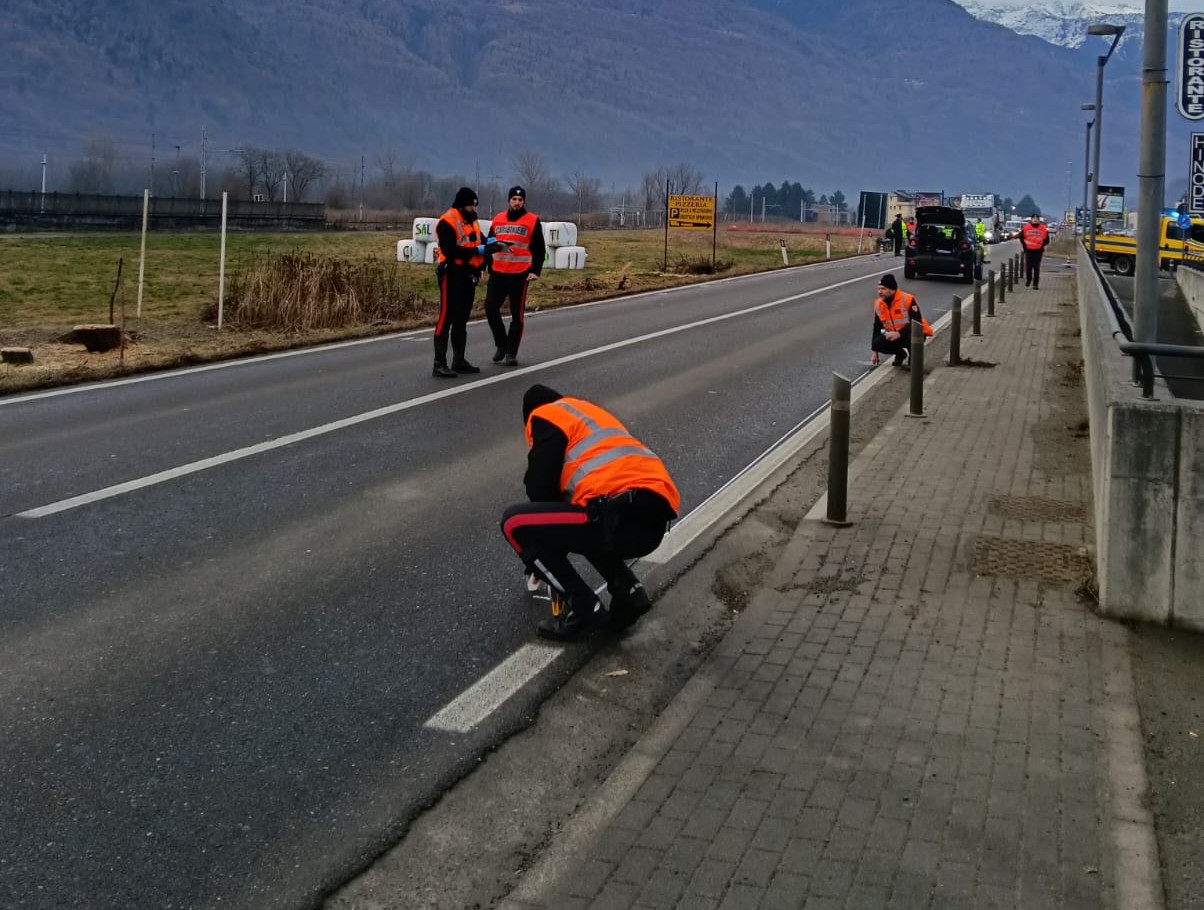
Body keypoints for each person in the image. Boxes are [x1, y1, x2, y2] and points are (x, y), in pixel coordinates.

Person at [500, 384, 680, 641]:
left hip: (619, 518)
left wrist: (540, 555)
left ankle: (584, 607)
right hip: (651, 520)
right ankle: (628, 591)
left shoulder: (546, 416)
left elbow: (539, 489)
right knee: (585, 517)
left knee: (514, 522)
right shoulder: (586, 414)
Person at [431, 187, 507, 378]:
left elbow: (478, 241)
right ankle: (439, 363)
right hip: (452, 273)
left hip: (468, 275)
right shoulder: (447, 222)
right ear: (462, 204)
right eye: (472, 205)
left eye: (475, 205)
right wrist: (478, 251)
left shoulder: (471, 221)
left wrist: (491, 246)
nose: (474, 209)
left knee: (462, 318)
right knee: (446, 316)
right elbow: (450, 250)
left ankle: (459, 360)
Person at [484, 186, 546, 367]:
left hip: (520, 273)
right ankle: (501, 344)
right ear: (509, 201)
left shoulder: (532, 220)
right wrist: (486, 265)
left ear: (524, 201)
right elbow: (489, 244)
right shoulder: (498, 219)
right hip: (498, 271)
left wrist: (536, 270)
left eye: (520, 200)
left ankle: (511, 352)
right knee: (490, 308)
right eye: (514, 200)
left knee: (516, 315)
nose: (517, 203)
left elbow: (539, 249)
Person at [870, 273, 932, 367]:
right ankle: (900, 354)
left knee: (913, 337)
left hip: (910, 333)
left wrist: (899, 333)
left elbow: (916, 321)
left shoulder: (907, 299)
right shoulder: (879, 304)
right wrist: (875, 351)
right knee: (877, 343)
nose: (880, 292)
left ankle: (913, 359)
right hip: (895, 335)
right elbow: (877, 327)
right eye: (878, 289)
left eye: (883, 289)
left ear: (892, 289)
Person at [1019, 213, 1050, 289]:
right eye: (1034, 218)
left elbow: (1047, 240)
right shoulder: (1026, 228)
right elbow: (1021, 237)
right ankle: (1029, 279)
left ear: (1039, 220)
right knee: (1029, 267)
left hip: (1038, 251)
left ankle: (1035, 284)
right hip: (1029, 250)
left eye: (1037, 218)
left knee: (1036, 267)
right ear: (1031, 220)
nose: (1035, 220)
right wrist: (1025, 246)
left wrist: (1042, 245)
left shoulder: (1043, 229)